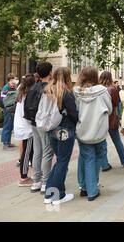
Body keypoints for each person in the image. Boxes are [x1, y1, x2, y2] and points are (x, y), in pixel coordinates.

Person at [74, 66, 112, 201]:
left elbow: (75, 110)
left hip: (83, 130)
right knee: (97, 158)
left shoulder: (76, 92)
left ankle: (84, 187)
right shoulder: (102, 91)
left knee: (85, 157)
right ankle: (92, 190)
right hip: (99, 130)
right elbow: (110, 109)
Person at [44, 67, 78, 205]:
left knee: (59, 161)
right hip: (64, 129)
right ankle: (57, 196)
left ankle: (49, 194)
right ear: (67, 77)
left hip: (50, 129)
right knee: (63, 162)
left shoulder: (47, 90)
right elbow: (74, 114)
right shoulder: (66, 93)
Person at [27, 62, 54, 193]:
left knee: (37, 151)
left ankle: (36, 181)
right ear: (50, 72)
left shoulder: (33, 87)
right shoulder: (48, 88)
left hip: (33, 123)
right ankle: (46, 182)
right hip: (43, 124)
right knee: (47, 151)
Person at [100, 71, 124, 172]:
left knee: (102, 142)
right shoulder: (112, 89)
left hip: (101, 120)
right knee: (117, 141)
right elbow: (117, 103)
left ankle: (104, 164)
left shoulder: (98, 89)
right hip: (112, 118)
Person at [14, 74, 35, 186]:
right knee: (26, 154)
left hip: (21, 127)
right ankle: (23, 177)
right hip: (26, 129)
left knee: (29, 152)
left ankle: (30, 173)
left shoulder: (21, 94)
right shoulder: (27, 96)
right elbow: (27, 114)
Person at [0, 73, 19, 149]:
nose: (16, 80)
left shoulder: (14, 87)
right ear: (10, 80)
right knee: (7, 125)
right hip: (8, 109)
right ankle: (5, 143)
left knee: (10, 126)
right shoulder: (6, 87)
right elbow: (2, 99)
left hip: (12, 108)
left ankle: (8, 141)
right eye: (14, 78)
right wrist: (4, 107)